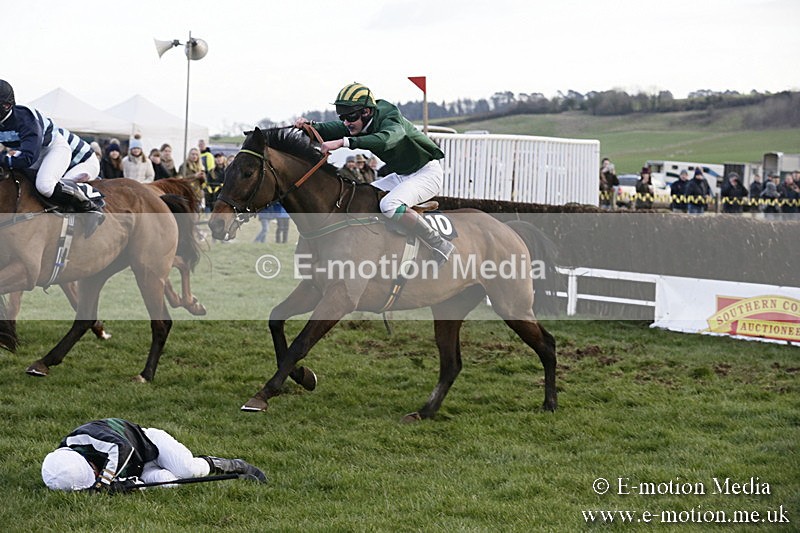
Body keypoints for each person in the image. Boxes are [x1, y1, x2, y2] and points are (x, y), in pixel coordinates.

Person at [294, 82, 454, 264]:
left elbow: (387, 139)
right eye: (343, 117)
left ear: (366, 112)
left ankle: (439, 243)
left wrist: (344, 143)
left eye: (350, 116)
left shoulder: (390, 118)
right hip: (401, 175)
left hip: (426, 174)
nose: (346, 122)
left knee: (389, 205)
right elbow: (330, 128)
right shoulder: (359, 121)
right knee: (360, 197)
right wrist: (309, 126)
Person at [41, 418, 266, 492]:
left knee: (188, 470)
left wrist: (102, 484)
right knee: (169, 484)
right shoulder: (65, 464)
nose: (96, 473)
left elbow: (122, 449)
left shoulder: (85, 436)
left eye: (92, 473)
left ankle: (234, 465)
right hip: (141, 469)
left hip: (152, 445)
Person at [0, 79, 102, 215]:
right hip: (37, 152)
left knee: (45, 186)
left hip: (56, 150)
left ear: (6, 106)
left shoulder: (26, 120)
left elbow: (28, 157)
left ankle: (89, 206)